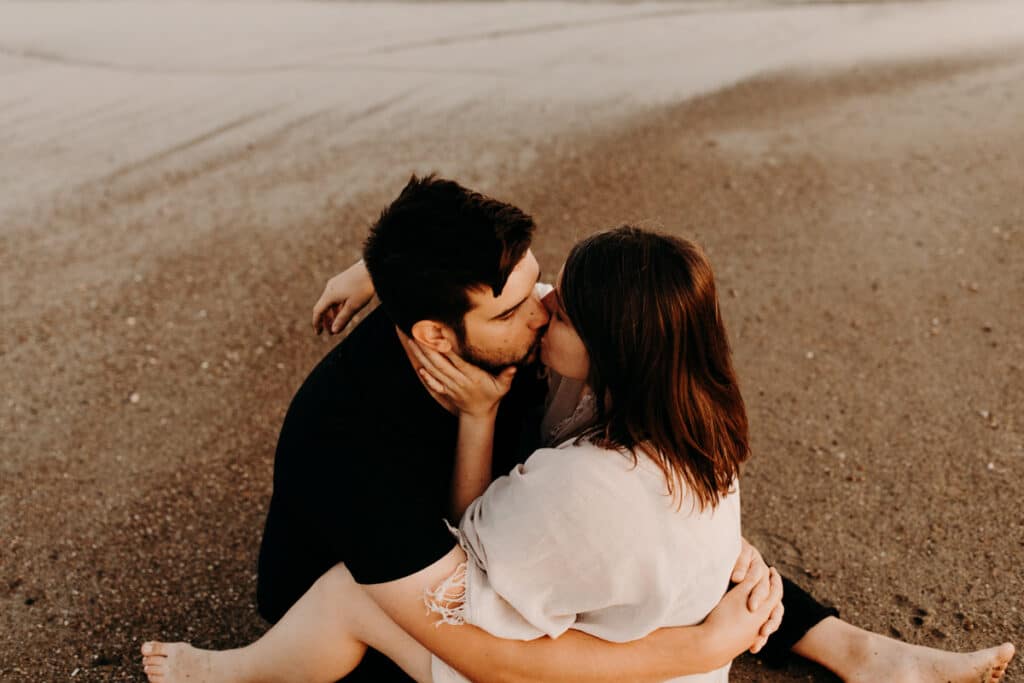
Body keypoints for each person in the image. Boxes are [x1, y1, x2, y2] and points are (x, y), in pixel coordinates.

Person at [141, 177, 1014, 682]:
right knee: (593, 545)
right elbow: (490, 653)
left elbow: (448, 242)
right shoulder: (350, 442)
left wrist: (373, 266)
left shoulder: (509, 327)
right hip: (388, 577)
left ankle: (855, 650)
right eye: (525, 301)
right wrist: (694, 644)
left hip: (516, 523)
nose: (551, 297)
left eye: (542, 286)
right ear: (441, 336)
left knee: (639, 528)